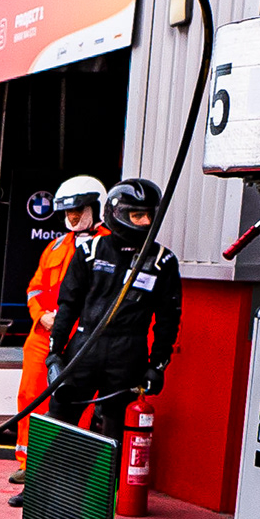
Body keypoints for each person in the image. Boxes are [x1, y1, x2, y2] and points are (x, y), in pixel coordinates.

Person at [46, 176, 182, 433]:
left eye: (149, 215)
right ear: (118, 213)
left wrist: (157, 365)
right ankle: (50, 473)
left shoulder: (163, 261)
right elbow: (68, 305)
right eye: (137, 216)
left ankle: (100, 474)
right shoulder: (91, 250)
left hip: (128, 355)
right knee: (60, 418)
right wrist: (55, 351)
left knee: (112, 429)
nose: (146, 222)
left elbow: (168, 319)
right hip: (84, 348)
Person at [15, 176, 104, 419]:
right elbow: (36, 288)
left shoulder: (108, 248)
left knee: (76, 403)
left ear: (95, 208)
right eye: (67, 211)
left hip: (81, 336)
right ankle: (27, 457)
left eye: (77, 210)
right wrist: (40, 315)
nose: (72, 216)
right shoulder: (56, 246)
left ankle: (71, 458)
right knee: (30, 397)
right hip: (44, 334)